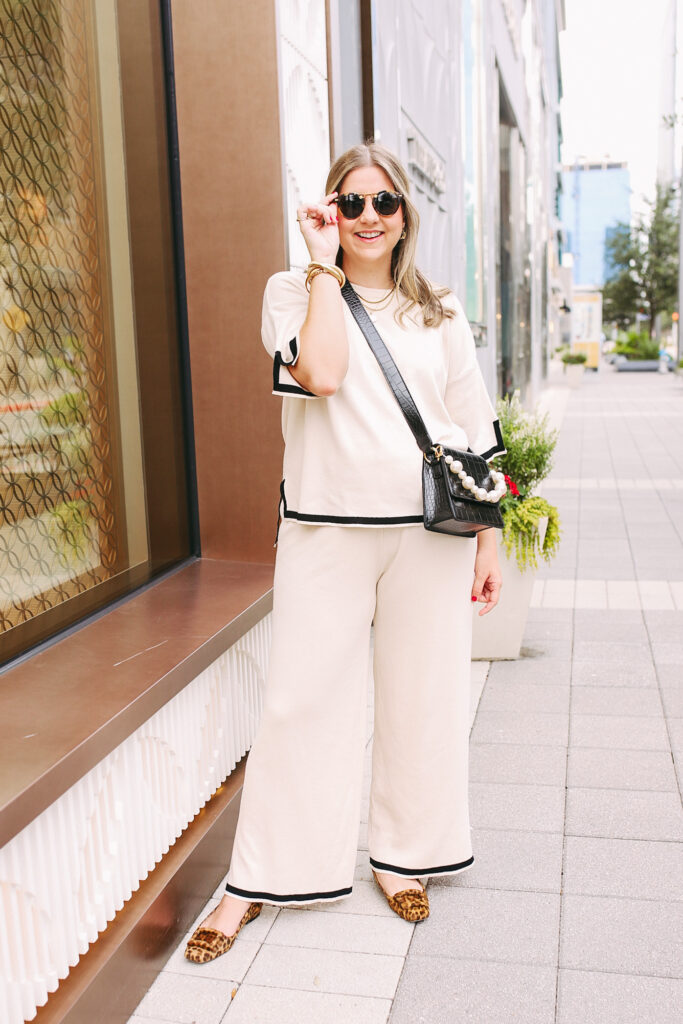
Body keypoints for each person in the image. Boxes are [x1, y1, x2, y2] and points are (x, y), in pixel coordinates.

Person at [184, 142, 504, 964]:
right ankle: (260, 879)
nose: (367, 217)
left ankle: (406, 857)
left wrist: (491, 538)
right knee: (300, 704)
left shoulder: (439, 310)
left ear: (404, 214)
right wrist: (324, 266)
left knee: (424, 699)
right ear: (328, 211)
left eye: (383, 202)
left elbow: (472, 427)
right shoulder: (292, 292)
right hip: (325, 529)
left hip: (428, 533)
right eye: (350, 202)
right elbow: (322, 374)